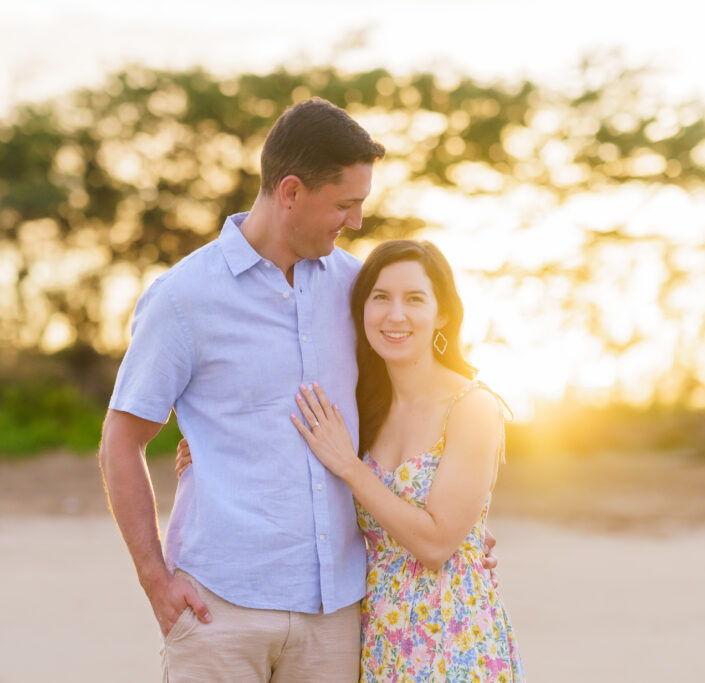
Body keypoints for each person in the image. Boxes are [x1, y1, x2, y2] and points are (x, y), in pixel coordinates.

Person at [100, 97, 496, 681]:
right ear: (290, 193)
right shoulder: (182, 299)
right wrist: (154, 579)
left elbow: (418, 404)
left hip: (337, 614)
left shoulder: (358, 289)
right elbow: (120, 441)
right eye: (345, 204)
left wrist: (463, 528)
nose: (355, 221)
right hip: (221, 610)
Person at [178, 240, 524, 681]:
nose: (395, 315)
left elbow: (436, 545)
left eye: (414, 299)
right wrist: (209, 450)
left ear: (442, 314)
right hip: (382, 639)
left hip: (455, 638)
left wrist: (350, 466)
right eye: (380, 297)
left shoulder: (472, 407)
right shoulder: (364, 406)